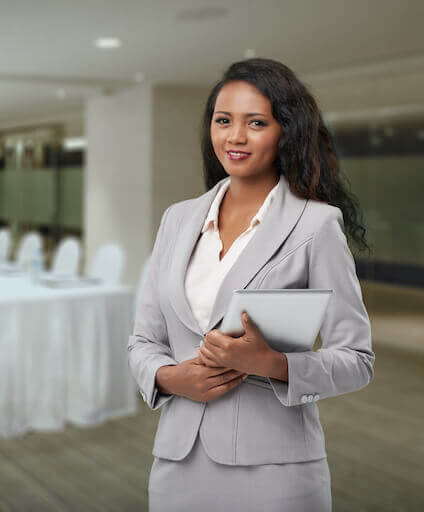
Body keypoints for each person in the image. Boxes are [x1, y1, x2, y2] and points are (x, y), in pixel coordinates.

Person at [127, 58, 375, 512]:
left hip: (275, 472)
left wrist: (273, 363)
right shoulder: (178, 219)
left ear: (286, 131)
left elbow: (357, 359)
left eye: (255, 123)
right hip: (177, 465)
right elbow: (143, 341)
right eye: (223, 121)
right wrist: (170, 377)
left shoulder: (316, 225)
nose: (234, 137)